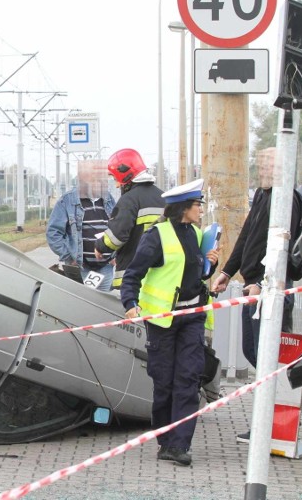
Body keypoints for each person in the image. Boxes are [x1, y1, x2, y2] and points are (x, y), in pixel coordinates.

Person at [121, 179, 219, 467]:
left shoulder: (197, 234)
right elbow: (133, 274)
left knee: (188, 380)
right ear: (184, 208)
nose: (201, 210)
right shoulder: (157, 236)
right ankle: (165, 440)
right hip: (163, 321)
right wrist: (130, 303)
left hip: (192, 317)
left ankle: (180, 445)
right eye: (198, 205)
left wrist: (210, 263)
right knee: (164, 382)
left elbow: (196, 275)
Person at [210, 146, 302, 443]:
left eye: (268, 166)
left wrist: (265, 283)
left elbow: (281, 247)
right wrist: (226, 272)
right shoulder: (263, 196)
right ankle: (273, 419)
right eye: (260, 165)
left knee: (270, 357)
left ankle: (274, 424)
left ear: (282, 169)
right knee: (255, 352)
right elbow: (247, 236)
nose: (262, 171)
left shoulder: (287, 200)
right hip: (253, 285)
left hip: (271, 288)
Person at [95, 148, 166, 289]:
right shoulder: (164, 197)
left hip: (133, 276)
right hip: (160, 273)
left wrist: (100, 246)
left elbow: (117, 236)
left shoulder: (129, 200)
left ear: (125, 176)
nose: (116, 184)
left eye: (116, 179)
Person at [46, 159, 116, 290]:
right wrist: (69, 256)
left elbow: (118, 228)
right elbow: (53, 233)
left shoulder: (109, 199)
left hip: (106, 266)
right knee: (83, 306)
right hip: (80, 267)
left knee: (103, 306)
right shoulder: (66, 201)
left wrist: (115, 255)